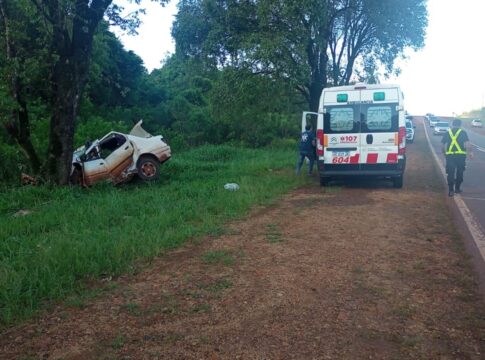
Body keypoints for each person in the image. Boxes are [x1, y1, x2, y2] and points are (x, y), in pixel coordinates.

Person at [441, 118, 474, 197]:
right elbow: (467, 144)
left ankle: (451, 190)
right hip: (460, 156)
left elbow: (442, 146)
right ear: (460, 125)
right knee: (460, 172)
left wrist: (445, 154)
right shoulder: (463, 132)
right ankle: (457, 188)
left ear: (452, 124)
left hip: (450, 156)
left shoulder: (448, 133)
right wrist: (470, 152)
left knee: (450, 173)